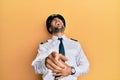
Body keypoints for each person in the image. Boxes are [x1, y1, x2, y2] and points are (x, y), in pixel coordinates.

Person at [32, 14, 90, 80]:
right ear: (50, 28)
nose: (57, 20)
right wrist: (45, 63)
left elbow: (85, 66)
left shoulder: (75, 44)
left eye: (60, 19)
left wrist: (71, 70)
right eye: (54, 20)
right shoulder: (44, 46)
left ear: (64, 26)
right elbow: (36, 67)